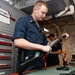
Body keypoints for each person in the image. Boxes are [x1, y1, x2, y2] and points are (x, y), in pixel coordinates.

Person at [12, 1, 52, 71]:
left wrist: (48, 47)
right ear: (35, 10)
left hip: (40, 64)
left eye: (45, 13)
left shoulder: (41, 28)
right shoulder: (23, 21)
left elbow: (45, 44)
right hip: (27, 65)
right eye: (43, 13)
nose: (44, 16)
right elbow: (18, 42)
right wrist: (41, 47)